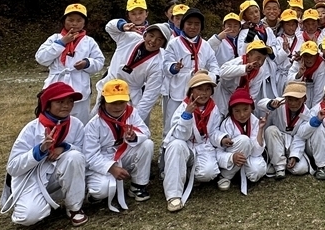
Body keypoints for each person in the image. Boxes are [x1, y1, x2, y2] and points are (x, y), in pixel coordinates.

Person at [0, 82, 87, 227]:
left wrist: (65, 147)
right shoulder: (31, 129)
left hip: (57, 174)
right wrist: (39, 150)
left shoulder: (76, 124)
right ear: (47, 105)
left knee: (75, 156)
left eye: (70, 101)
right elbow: (13, 167)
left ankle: (74, 208)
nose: (66, 106)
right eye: (60, 102)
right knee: (28, 216)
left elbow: (83, 153)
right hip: (32, 177)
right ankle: (33, 201)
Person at [84, 80, 154, 211]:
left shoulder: (131, 113)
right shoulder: (93, 124)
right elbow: (90, 156)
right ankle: (93, 193)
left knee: (147, 144)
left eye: (121, 102)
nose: (118, 107)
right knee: (101, 190)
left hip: (123, 154)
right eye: (113, 102)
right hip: (104, 160)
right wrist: (111, 168)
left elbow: (145, 132)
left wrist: (134, 137)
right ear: (103, 101)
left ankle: (138, 185)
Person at [162, 71, 223, 212]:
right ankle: (173, 195)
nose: (204, 93)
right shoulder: (183, 108)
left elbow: (213, 132)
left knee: (208, 173)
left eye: (207, 89)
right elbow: (180, 135)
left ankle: (185, 173)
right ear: (191, 91)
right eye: (199, 89)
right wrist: (187, 115)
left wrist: (222, 138)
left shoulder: (213, 108)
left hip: (203, 147)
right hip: (185, 146)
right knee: (176, 145)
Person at [36, 3, 105, 124]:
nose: (74, 23)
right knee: (53, 116)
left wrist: (87, 63)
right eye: (70, 20)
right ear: (64, 21)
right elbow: (41, 58)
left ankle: (78, 135)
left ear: (84, 23)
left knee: (80, 120)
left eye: (79, 20)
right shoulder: (55, 38)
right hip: (57, 82)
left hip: (79, 85)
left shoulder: (89, 42)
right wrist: (61, 43)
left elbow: (99, 61)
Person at [94, 21, 170, 124]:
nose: (153, 41)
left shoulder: (158, 63)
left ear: (163, 44)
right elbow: (109, 27)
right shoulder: (130, 38)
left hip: (130, 95)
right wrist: (122, 26)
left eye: (159, 39)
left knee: (124, 124)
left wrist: (135, 121)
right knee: (98, 120)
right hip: (109, 85)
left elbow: (150, 95)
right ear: (145, 34)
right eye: (151, 36)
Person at [162, 7, 220, 135]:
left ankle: (193, 143)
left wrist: (210, 77)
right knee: (172, 121)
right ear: (183, 25)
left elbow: (214, 65)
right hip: (179, 90)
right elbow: (165, 64)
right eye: (189, 23)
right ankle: (168, 145)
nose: (193, 27)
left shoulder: (205, 45)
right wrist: (174, 67)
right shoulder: (174, 43)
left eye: (197, 24)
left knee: (195, 122)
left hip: (199, 90)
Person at [217, 88, 267, 194]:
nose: (242, 114)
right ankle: (225, 175)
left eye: (245, 109)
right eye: (237, 111)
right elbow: (219, 151)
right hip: (232, 158)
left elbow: (256, 152)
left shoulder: (255, 121)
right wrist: (232, 157)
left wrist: (260, 129)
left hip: (249, 156)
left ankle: (241, 172)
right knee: (244, 140)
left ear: (252, 108)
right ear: (231, 111)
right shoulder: (227, 124)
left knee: (258, 171)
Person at [260, 82, 312, 178]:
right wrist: (271, 104)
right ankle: (279, 168)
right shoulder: (279, 103)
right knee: (270, 130)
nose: (293, 103)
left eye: (297, 100)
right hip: (277, 139)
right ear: (285, 98)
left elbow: (300, 137)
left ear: (304, 99)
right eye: (290, 99)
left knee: (301, 168)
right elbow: (260, 103)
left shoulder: (307, 114)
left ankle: (280, 161)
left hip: (293, 143)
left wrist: (294, 156)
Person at [219, 40, 278, 110]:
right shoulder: (239, 62)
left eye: (263, 60)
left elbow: (253, 92)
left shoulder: (260, 71)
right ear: (248, 56)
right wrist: (244, 69)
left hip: (241, 99)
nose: (260, 62)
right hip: (224, 94)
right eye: (258, 58)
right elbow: (222, 72)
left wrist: (249, 106)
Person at [287, 40, 325, 108]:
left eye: (311, 56)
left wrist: (314, 110)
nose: (308, 59)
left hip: (313, 95)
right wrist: (299, 75)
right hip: (297, 96)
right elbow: (288, 83)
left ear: (317, 55)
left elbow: (319, 91)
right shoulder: (298, 62)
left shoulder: (321, 64)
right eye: (306, 56)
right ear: (302, 56)